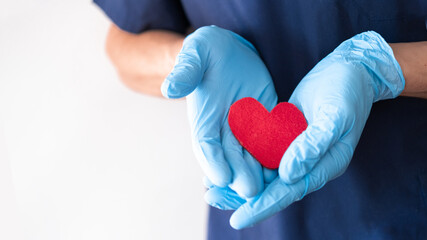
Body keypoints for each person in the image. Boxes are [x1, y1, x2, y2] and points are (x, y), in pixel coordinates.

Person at [94, 1, 427, 239]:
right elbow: (123, 45)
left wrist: (381, 68)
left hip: (406, 207)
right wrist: (191, 59)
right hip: (259, 214)